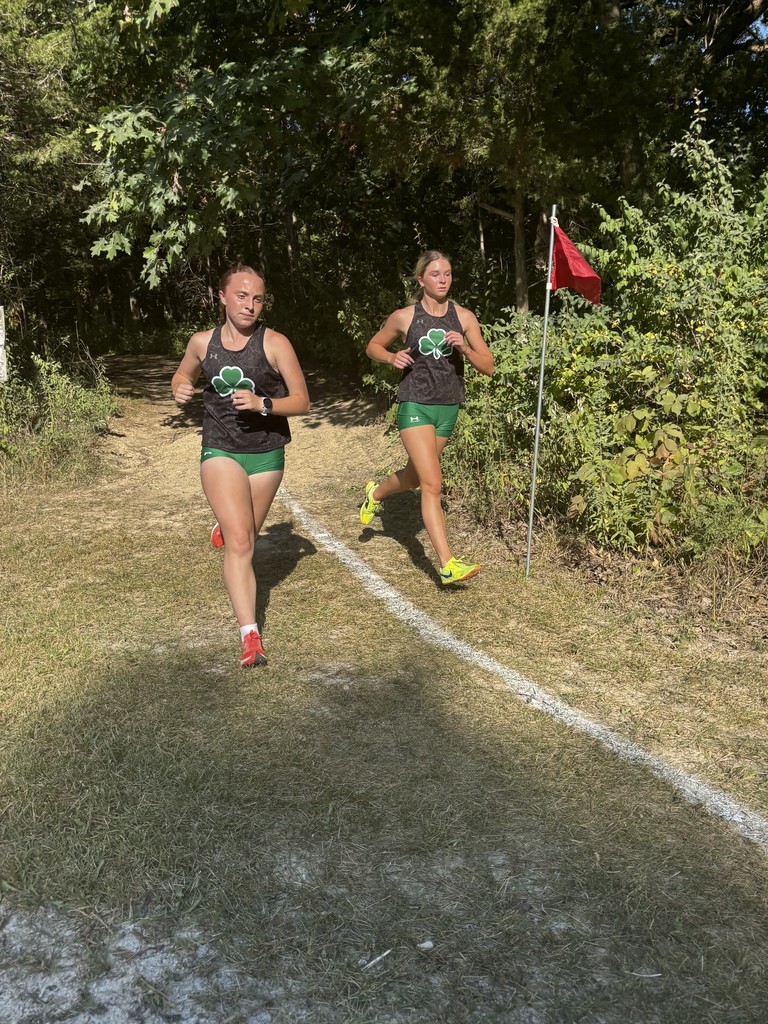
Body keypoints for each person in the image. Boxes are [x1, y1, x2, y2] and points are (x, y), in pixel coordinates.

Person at [172, 263, 310, 667]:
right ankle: (250, 636)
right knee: (243, 544)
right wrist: (179, 386)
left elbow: (302, 401)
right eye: (242, 296)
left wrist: (264, 403)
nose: (250, 305)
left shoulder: (276, 343)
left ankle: (225, 523)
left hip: (267, 454)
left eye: (258, 298)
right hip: (221, 450)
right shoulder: (202, 343)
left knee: (245, 532)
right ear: (222, 296)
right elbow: (183, 373)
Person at [359, 250, 494, 584]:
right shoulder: (405, 317)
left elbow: (488, 367)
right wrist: (391, 358)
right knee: (433, 483)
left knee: (417, 476)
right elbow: (372, 346)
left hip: (448, 408)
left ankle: (375, 494)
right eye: (435, 274)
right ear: (421, 280)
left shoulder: (464, 317)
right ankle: (448, 565)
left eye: (447, 273)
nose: (443, 280)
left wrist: (464, 348)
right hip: (414, 406)